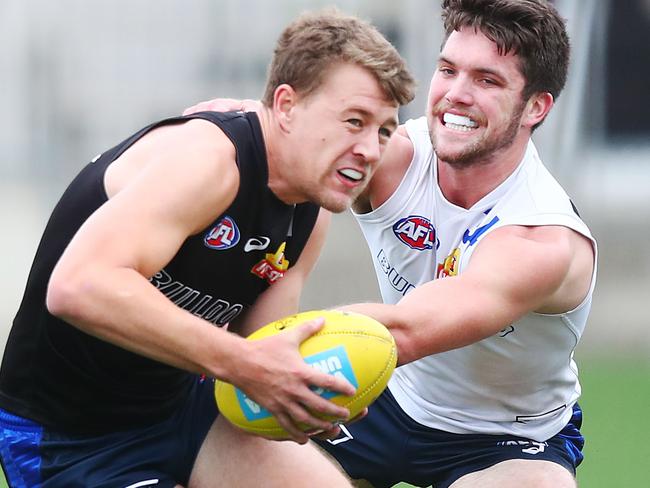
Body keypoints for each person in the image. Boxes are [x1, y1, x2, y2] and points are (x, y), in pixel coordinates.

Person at [185, 1, 597, 487]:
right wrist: (232, 125)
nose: (456, 95)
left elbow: (404, 332)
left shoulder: (541, 240)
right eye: (448, 70)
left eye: (487, 81)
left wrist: (252, 354)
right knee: (210, 454)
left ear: (536, 106)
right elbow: (286, 151)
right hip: (384, 397)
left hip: (502, 437)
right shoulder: (395, 156)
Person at [0, 9, 415, 488]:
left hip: (182, 412)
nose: (370, 149)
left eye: (384, 130)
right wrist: (246, 364)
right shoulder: (210, 160)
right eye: (354, 121)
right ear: (286, 105)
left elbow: (260, 352)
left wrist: (299, 396)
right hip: (68, 435)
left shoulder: (311, 209)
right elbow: (77, 286)